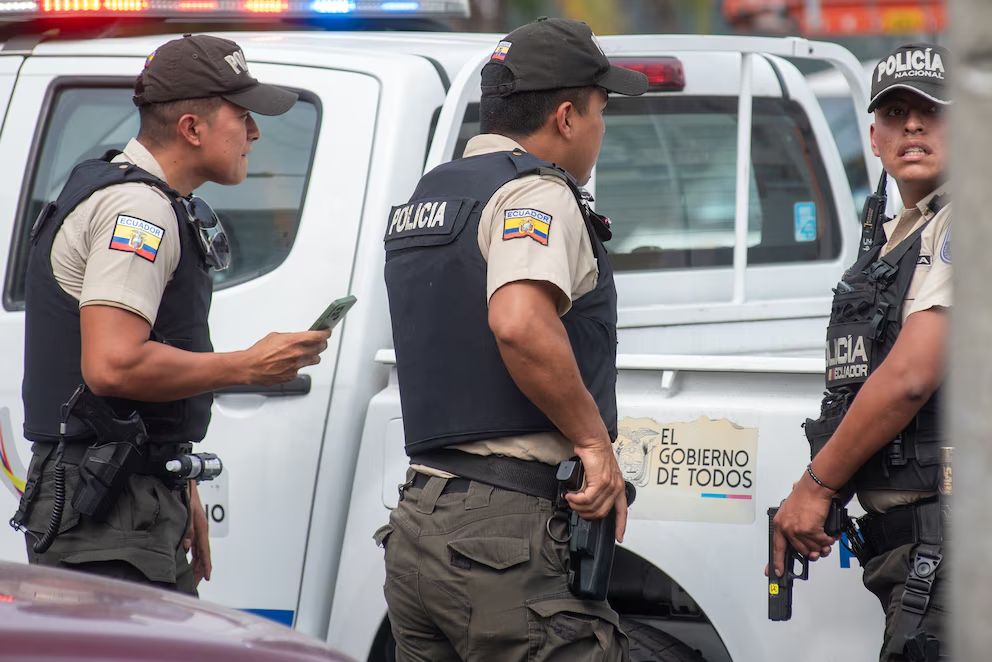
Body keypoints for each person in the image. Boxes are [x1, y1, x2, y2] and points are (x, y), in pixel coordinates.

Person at [11, 34, 331, 595]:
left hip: (123, 494)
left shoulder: (130, 193)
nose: (254, 132)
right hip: (107, 511)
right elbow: (112, 366)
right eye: (243, 115)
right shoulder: (139, 209)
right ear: (191, 127)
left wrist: (174, 483)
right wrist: (247, 366)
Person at [378, 17, 647, 661]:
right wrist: (594, 445)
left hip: (421, 519)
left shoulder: (431, 192)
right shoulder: (537, 193)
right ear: (565, 116)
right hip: (504, 533)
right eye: (601, 110)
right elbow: (521, 323)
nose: (601, 129)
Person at [771, 43, 950, 662]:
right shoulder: (897, 237)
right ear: (873, 137)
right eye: (897, 113)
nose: (914, 126)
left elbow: (910, 376)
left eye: (932, 111)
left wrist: (817, 485)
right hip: (918, 550)